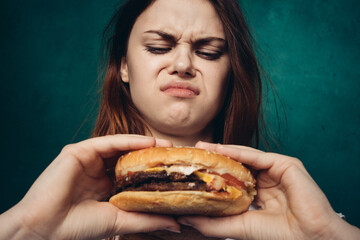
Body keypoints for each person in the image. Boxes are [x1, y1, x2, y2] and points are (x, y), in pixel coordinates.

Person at [0, 0, 359, 239]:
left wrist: (325, 234)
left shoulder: (281, 216)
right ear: (123, 65)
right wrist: (26, 229)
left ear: (230, 73)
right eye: (158, 47)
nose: (184, 65)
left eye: (209, 52)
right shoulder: (66, 208)